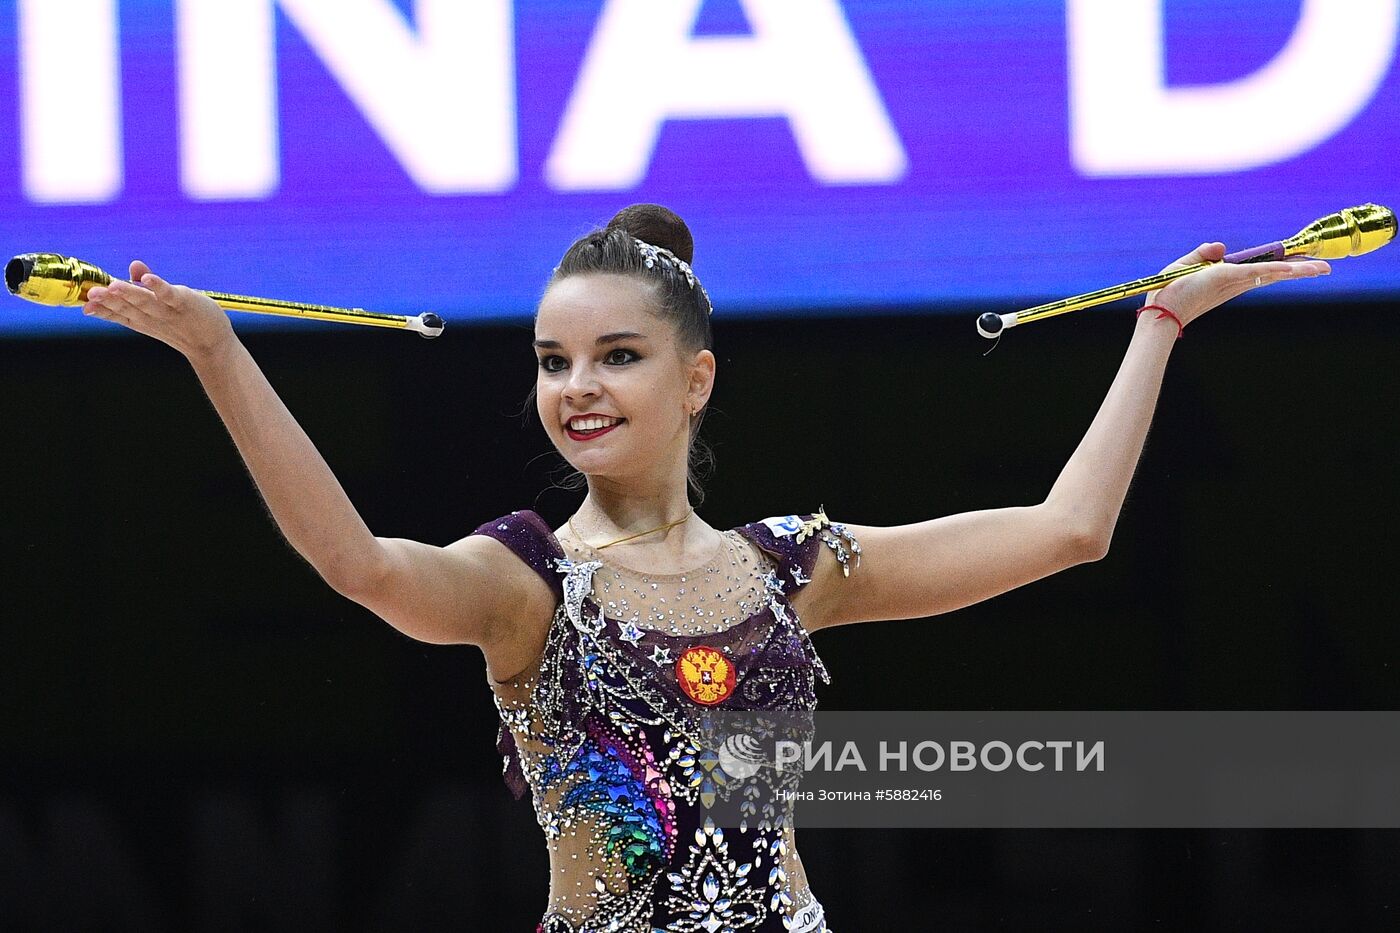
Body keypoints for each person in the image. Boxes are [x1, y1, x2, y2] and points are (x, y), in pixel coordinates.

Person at [79, 204, 1330, 932]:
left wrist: (1159, 326)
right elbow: (356, 564)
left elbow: (1068, 530)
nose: (576, 387)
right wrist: (216, 356)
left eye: (615, 355)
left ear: (695, 378)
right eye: (552, 358)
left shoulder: (789, 568)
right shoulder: (524, 583)